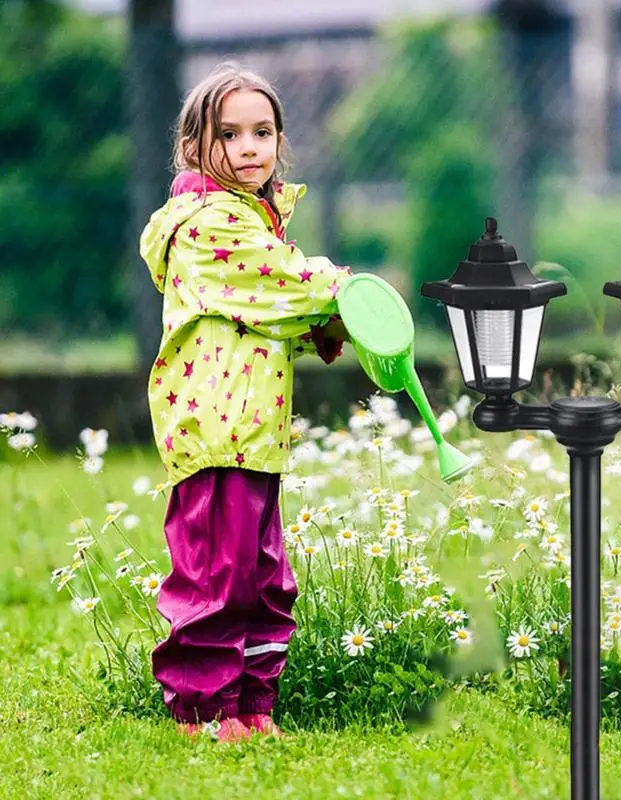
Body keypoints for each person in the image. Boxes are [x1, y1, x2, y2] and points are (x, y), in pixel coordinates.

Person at [139, 61, 353, 742]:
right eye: (230, 134)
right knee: (215, 574)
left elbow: (283, 304)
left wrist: (328, 318)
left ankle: (254, 705)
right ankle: (202, 712)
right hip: (212, 426)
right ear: (194, 146)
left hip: (255, 431)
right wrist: (342, 289)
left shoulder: (253, 220)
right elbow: (281, 283)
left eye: (263, 131)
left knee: (264, 578)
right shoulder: (205, 225)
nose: (251, 147)